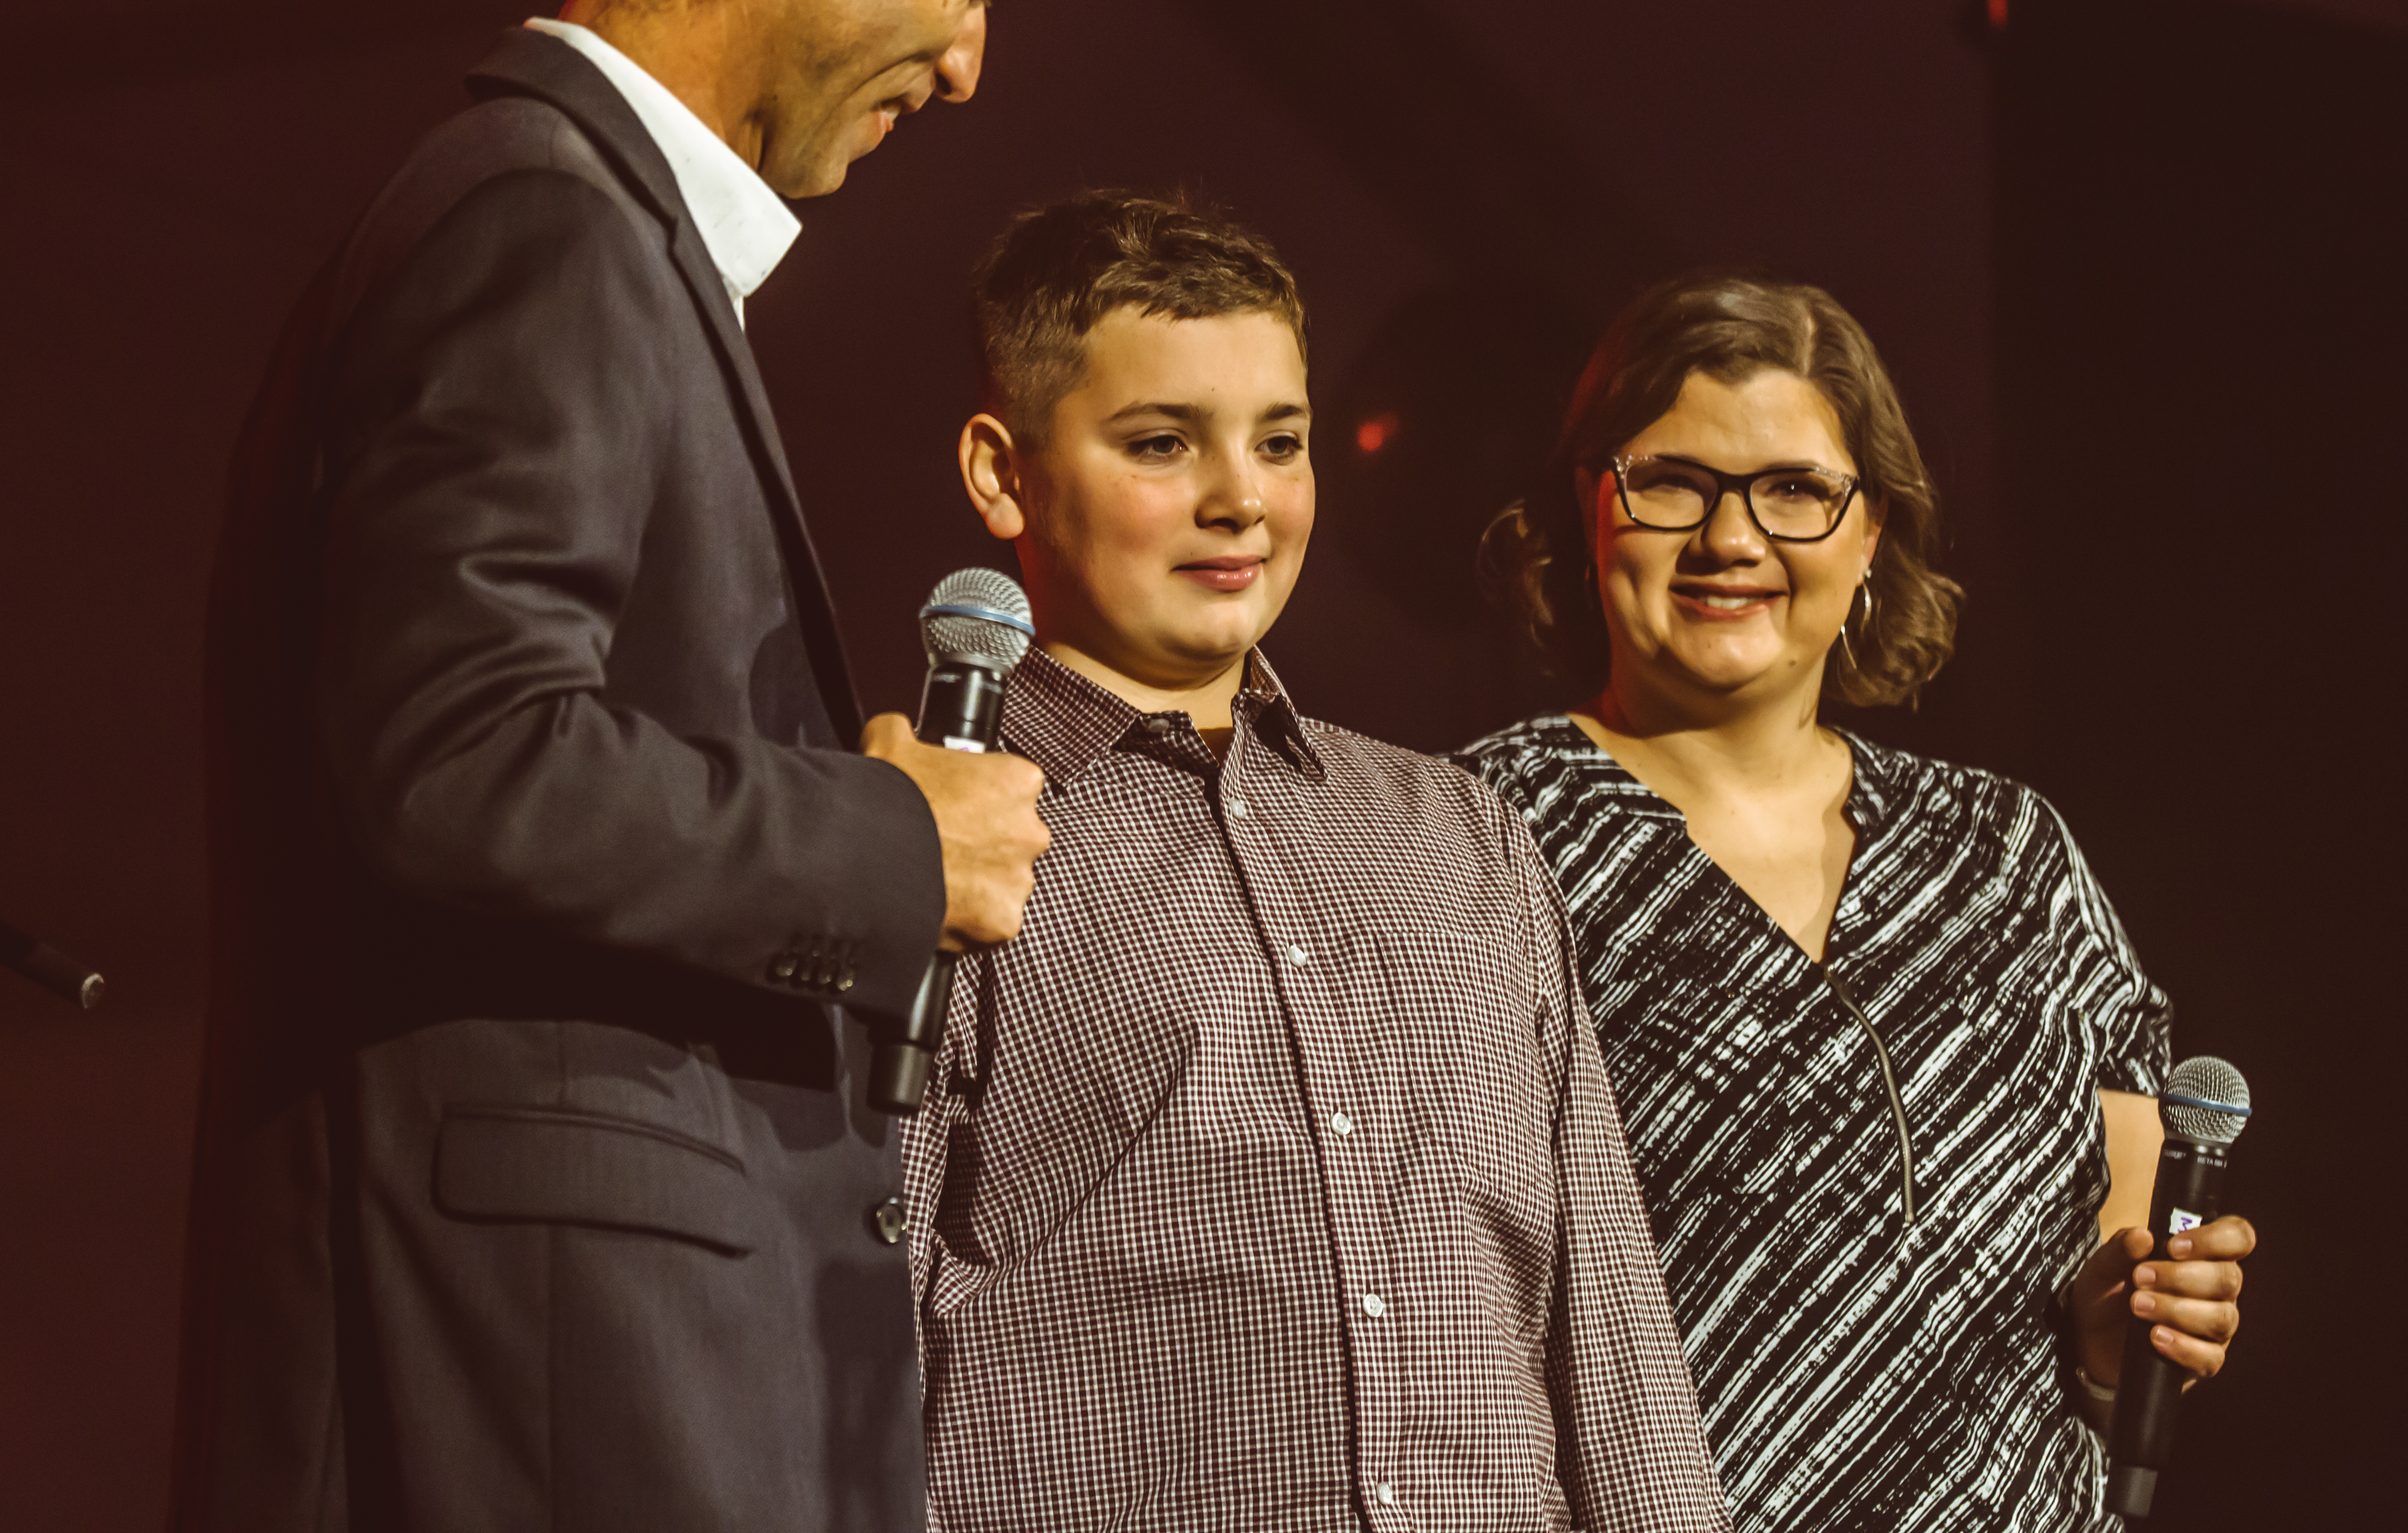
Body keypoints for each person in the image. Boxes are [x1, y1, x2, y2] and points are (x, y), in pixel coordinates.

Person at [169, 0, 1070, 1529]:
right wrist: (891, 842)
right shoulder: (540, 225)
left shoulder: (576, 231)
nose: (976, 63)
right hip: (545, 1387)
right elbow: (458, 751)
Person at [897, 191, 1729, 1533]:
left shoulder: (1456, 832)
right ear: (1004, 472)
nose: (1240, 498)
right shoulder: (938, 837)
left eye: (1279, 443)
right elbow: (851, 1326)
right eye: (1163, 442)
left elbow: (1609, 1323)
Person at [1457, 274, 2257, 1531]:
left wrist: (2128, 1339)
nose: (1732, 540)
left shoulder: (2008, 854)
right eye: (1672, 481)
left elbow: (2111, 1310)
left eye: (1794, 491)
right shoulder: (1467, 838)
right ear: (1587, 504)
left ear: (1871, 530)